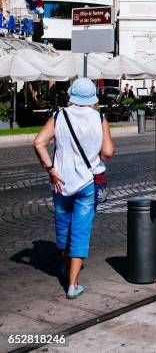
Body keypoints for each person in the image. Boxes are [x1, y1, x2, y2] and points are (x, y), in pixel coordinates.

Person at [33, 77, 115, 300]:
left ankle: (65, 266)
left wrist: (51, 169)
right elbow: (107, 152)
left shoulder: (59, 116)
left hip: (61, 182)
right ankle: (73, 284)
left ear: (71, 96)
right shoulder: (99, 118)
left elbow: (39, 142)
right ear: (92, 98)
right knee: (80, 231)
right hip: (88, 182)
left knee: (63, 226)